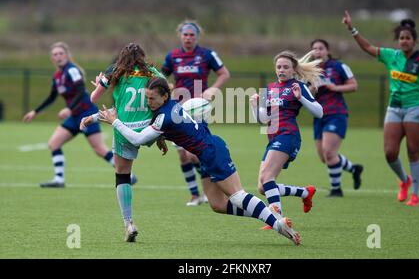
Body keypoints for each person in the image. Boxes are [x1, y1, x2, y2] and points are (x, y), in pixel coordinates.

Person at [96, 77, 301, 246]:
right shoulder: (171, 105)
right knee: (218, 204)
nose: (148, 103)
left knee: (238, 195)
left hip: (212, 152)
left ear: (165, 96)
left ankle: (277, 223)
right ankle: (269, 216)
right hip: (208, 151)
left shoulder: (164, 116)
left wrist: (114, 121)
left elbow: (137, 139)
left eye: (152, 99)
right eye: (147, 98)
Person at [342, 11, 419, 206]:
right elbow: (368, 47)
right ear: (398, 40)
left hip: (416, 107)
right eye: (401, 38)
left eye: (408, 38)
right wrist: (351, 29)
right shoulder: (391, 56)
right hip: (394, 108)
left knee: (413, 150)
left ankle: (415, 194)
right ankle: (404, 180)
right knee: (390, 153)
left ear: (414, 41)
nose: (404, 41)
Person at [80, 43, 166, 241]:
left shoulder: (114, 71)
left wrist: (101, 85)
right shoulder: (153, 72)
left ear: (122, 57)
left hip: (124, 129)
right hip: (149, 128)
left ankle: (128, 223)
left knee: (122, 174)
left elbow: (94, 98)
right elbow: (165, 93)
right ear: (142, 57)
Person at [22, 42, 118, 188]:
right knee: (53, 144)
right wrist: (35, 112)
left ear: (66, 55)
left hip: (86, 113)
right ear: (52, 58)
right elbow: (52, 97)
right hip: (74, 116)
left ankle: (126, 174)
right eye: (55, 54)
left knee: (99, 149)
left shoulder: (72, 70)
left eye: (61, 53)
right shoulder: (57, 76)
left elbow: (81, 92)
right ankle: (59, 179)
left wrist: (69, 108)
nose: (58, 56)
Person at [250, 50, 323, 227]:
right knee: (262, 187)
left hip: (288, 136)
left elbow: (319, 112)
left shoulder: (298, 86)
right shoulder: (269, 88)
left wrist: (301, 98)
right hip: (273, 138)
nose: (281, 70)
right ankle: (305, 193)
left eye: (285, 67)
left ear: (293, 70)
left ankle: (276, 218)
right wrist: (254, 106)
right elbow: (262, 120)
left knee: (267, 178)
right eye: (279, 67)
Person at [162, 20, 230, 206]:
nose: (188, 38)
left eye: (192, 35)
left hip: (198, 109)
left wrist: (213, 89)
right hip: (177, 108)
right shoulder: (172, 56)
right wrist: (166, 88)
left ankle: (211, 187)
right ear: (180, 36)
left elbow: (224, 73)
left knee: (195, 154)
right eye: (185, 34)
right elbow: (161, 78)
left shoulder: (207, 55)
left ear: (197, 37)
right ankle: (195, 195)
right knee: (183, 155)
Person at [310, 39, 364, 197]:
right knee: (324, 156)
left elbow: (353, 85)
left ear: (327, 50)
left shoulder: (338, 66)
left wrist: (336, 87)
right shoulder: (310, 70)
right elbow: (306, 94)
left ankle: (336, 189)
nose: (317, 51)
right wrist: (312, 89)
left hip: (336, 113)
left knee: (329, 152)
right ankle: (354, 169)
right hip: (319, 116)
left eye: (320, 48)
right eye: (314, 49)